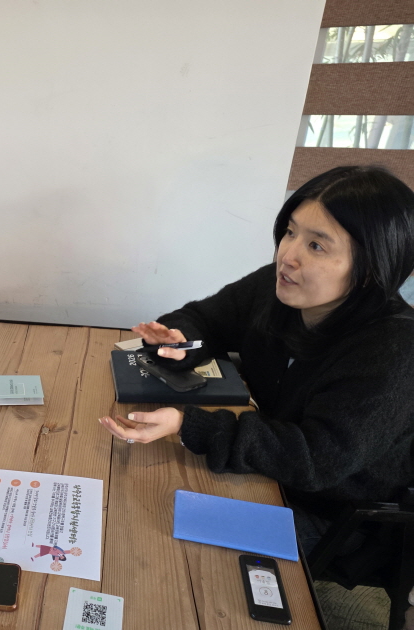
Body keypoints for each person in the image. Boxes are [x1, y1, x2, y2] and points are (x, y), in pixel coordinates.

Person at [99, 166, 414, 554]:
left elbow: (316, 459)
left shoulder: (395, 347)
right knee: (124, 493)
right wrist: (181, 343)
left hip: (328, 513)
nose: (288, 256)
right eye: (290, 232)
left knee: (148, 533)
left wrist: (188, 425)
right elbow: (203, 319)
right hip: (261, 465)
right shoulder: (279, 286)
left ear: (370, 270)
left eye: (316, 246)